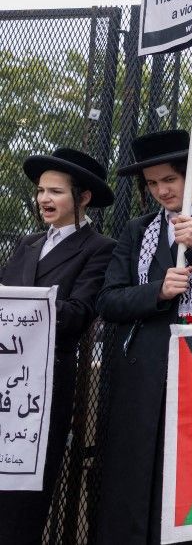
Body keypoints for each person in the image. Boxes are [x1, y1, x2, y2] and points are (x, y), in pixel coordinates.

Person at [95, 129, 192, 544]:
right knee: (133, 479)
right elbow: (108, 301)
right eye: (152, 183)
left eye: (170, 180)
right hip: (142, 373)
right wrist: (158, 292)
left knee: (187, 481)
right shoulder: (136, 230)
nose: (162, 190)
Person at [0, 148, 116, 545]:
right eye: (40, 191)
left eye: (56, 192)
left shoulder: (99, 248)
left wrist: (24, 305)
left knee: (24, 497)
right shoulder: (27, 243)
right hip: (5, 378)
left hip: (45, 383)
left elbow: (77, 314)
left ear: (82, 198)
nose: (44, 200)